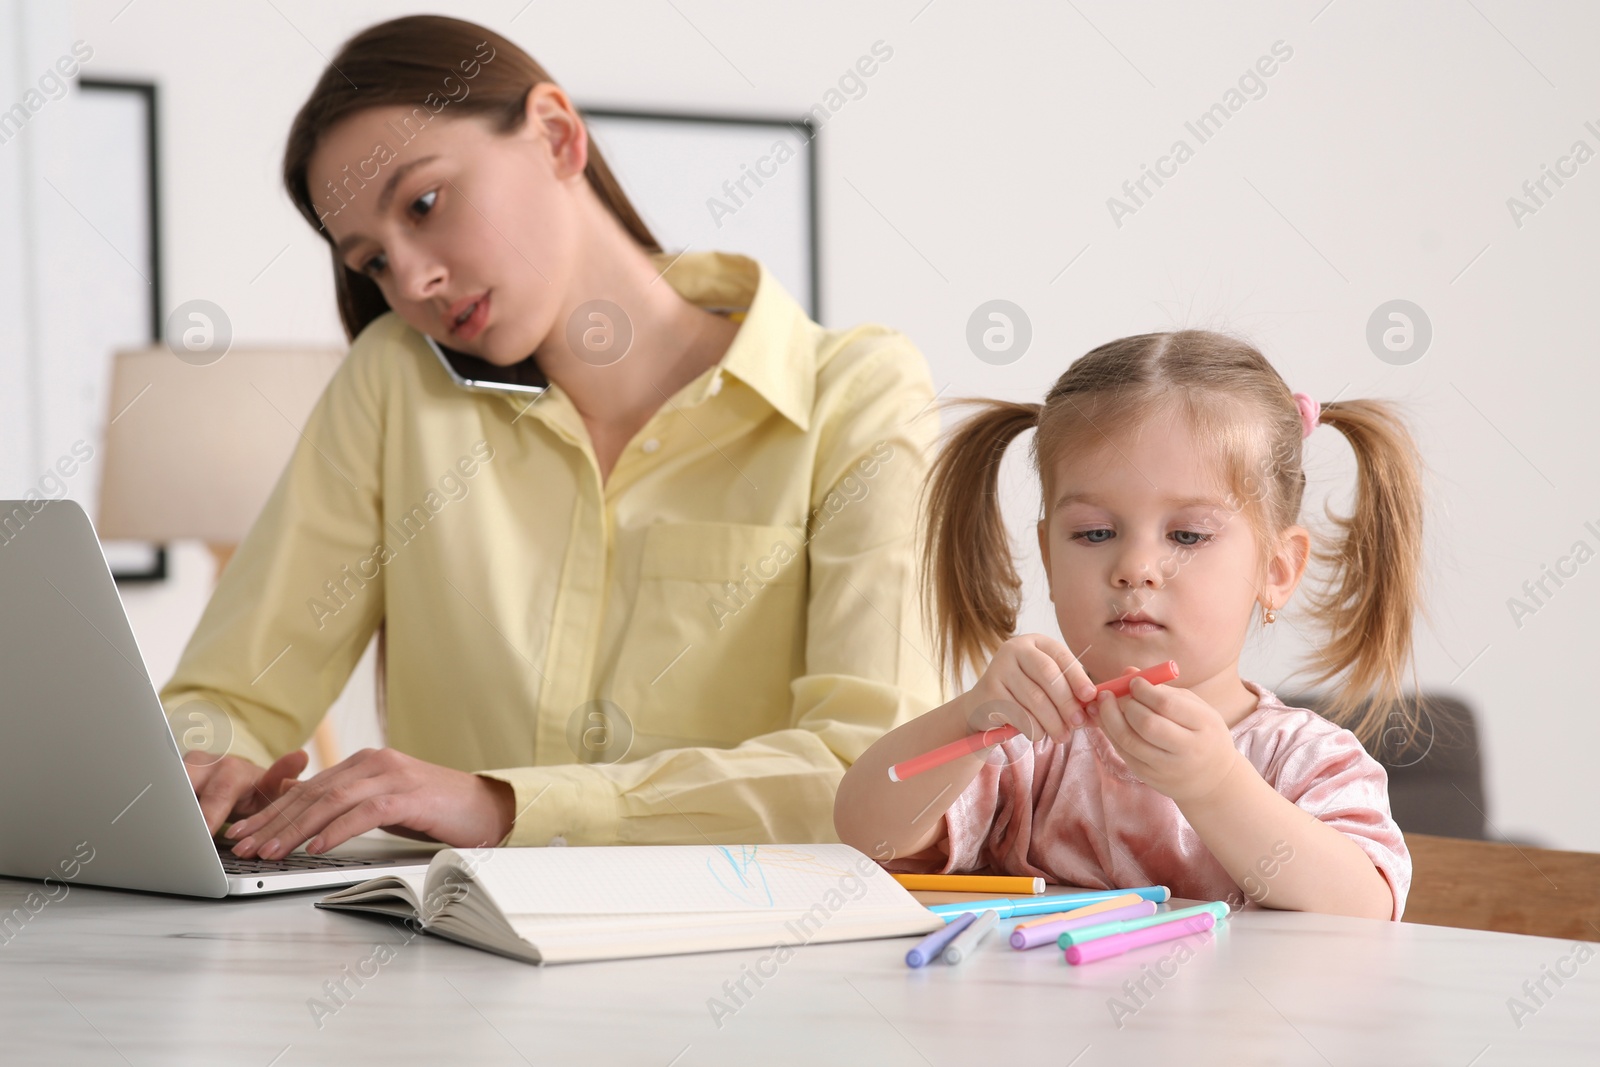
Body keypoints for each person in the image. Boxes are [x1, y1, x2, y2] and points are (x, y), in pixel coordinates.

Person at [161, 15, 942, 860]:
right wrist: (211, 765)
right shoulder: (396, 380)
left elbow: (876, 772)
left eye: (424, 204)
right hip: (448, 957)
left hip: (741, 963)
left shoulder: (855, 394)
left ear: (556, 136)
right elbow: (233, 693)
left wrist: (503, 804)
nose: (414, 279)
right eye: (373, 263)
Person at [835, 329, 1426, 919]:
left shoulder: (1304, 759)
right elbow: (867, 837)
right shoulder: (1031, 744)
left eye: (1187, 536)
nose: (1135, 569)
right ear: (1047, 554)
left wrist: (1217, 787)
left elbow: (1365, 912)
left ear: (1275, 569)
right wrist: (968, 719)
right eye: (1095, 533)